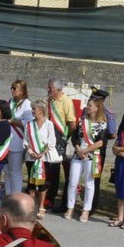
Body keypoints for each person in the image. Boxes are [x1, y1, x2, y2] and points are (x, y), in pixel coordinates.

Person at [64, 88, 110, 222]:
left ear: (97, 108)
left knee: (89, 184)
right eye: (87, 105)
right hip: (78, 155)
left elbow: (101, 142)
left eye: (90, 105)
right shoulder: (81, 121)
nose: (87, 107)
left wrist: (86, 151)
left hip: (91, 157)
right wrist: (79, 149)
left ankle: (86, 210)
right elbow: (74, 138)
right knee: (72, 182)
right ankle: (70, 207)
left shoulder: (102, 124)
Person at [44, 79, 76, 216]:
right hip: (49, 137)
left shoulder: (66, 101)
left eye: (50, 88)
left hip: (60, 137)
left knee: (56, 167)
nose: (48, 89)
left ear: (57, 89)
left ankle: (52, 197)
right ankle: (47, 196)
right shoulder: (48, 100)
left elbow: (72, 123)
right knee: (49, 168)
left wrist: (64, 137)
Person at [24, 99, 57, 213]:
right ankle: (32, 207)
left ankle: (41, 206)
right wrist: (31, 152)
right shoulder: (29, 124)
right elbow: (25, 141)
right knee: (31, 183)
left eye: (34, 109)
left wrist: (42, 153)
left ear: (41, 110)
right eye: (32, 109)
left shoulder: (49, 124)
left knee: (42, 183)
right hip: (31, 158)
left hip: (44, 158)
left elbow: (52, 141)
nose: (33, 111)